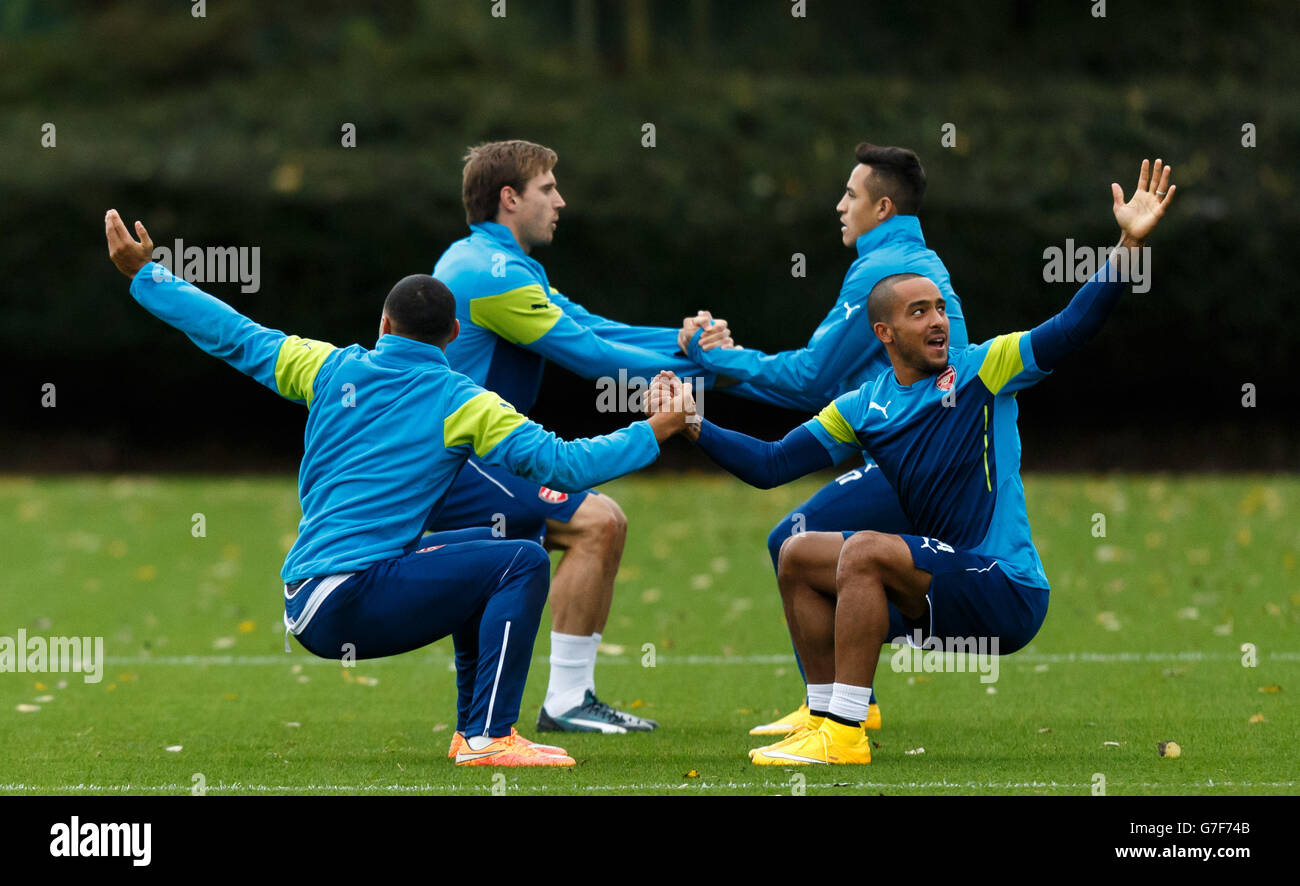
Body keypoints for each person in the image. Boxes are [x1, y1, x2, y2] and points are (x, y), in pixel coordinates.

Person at [104, 209, 689, 767]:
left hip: (306, 597)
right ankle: (491, 736)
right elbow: (562, 464)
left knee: (483, 560)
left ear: (383, 324)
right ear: (455, 332)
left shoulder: (326, 367)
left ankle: (473, 732)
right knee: (523, 561)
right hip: (350, 600)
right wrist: (654, 430)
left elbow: (235, 334)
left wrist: (147, 275)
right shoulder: (463, 400)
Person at [649, 158, 1175, 764]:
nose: (937, 321)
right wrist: (692, 425)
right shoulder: (861, 406)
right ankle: (824, 717)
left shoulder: (984, 369)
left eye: (939, 309)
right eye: (918, 312)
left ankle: (845, 734)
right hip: (940, 596)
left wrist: (1128, 244)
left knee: (867, 549)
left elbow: (1073, 326)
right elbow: (769, 465)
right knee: (797, 551)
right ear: (883, 333)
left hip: (1005, 590)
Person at [430, 139, 733, 734]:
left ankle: (543, 704)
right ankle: (564, 703)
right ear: (510, 198)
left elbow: (593, 326)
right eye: (548, 189)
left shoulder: (495, 264)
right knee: (599, 523)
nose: (561, 201)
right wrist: (711, 369)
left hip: (480, 456)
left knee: (589, 530)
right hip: (460, 463)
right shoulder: (487, 274)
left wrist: (682, 343)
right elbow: (590, 356)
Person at [679, 143, 970, 736]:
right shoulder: (914, 260)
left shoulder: (880, 274)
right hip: (931, 454)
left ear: (882, 207)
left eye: (851, 195)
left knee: (794, 541)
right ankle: (845, 704)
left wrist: (717, 362)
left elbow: (812, 378)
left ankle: (835, 712)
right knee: (808, 546)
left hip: (922, 463)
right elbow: (860, 388)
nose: (840, 205)